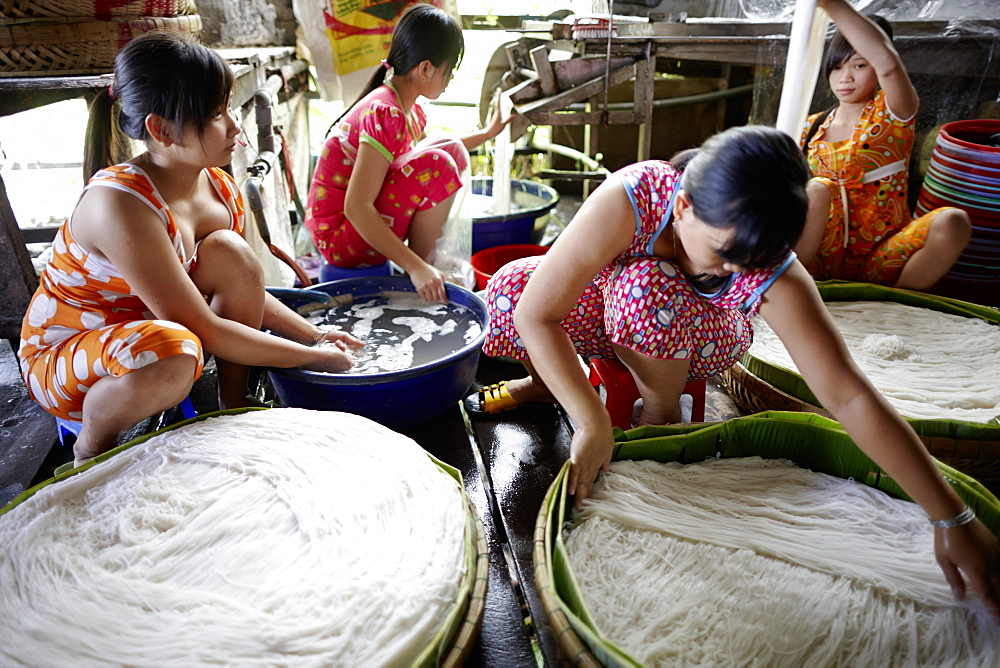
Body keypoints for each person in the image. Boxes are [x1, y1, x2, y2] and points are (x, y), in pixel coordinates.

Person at [467, 124, 1000, 618]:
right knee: (513, 288)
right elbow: (539, 312)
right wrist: (589, 419)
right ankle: (551, 385)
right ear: (682, 206)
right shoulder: (635, 197)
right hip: (620, 304)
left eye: (752, 264)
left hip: (701, 334)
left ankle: (659, 414)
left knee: (646, 288)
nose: (732, 272)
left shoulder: (762, 264)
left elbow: (851, 397)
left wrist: (950, 516)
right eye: (723, 256)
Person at [17, 32, 362, 468]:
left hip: (148, 331)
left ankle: (230, 407)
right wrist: (316, 359)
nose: (235, 126)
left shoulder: (215, 186)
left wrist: (314, 335)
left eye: (228, 108)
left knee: (232, 253)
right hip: (70, 358)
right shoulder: (119, 204)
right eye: (217, 114)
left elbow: (246, 286)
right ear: (160, 129)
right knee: (179, 354)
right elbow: (204, 328)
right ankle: (91, 446)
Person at [305, 3, 509, 303]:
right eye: (449, 70)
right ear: (425, 68)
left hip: (349, 230)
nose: (451, 78)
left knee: (448, 149)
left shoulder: (406, 107)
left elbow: (431, 152)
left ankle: (423, 263)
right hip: (338, 238)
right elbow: (356, 207)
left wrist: (489, 133)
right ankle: (420, 266)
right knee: (438, 165)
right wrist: (416, 267)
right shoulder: (386, 111)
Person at [795, 0, 970, 290]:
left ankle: (895, 303)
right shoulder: (809, 128)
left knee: (954, 221)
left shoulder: (892, 114)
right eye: (837, 67)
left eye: (859, 65)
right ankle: (789, 288)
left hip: (882, 257)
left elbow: (888, 65)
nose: (846, 77)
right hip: (817, 260)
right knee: (816, 188)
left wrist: (831, 5)